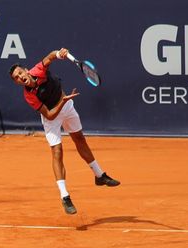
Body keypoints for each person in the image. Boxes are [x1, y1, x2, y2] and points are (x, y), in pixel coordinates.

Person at [8, 48, 120, 215]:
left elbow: (49, 57)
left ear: (26, 70)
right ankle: (65, 196)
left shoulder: (38, 69)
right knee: (57, 151)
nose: (20, 78)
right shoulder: (29, 95)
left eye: (19, 73)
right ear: (17, 83)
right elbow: (50, 115)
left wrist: (60, 53)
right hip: (52, 116)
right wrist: (63, 101)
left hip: (67, 106)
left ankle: (99, 175)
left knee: (80, 139)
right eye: (16, 78)